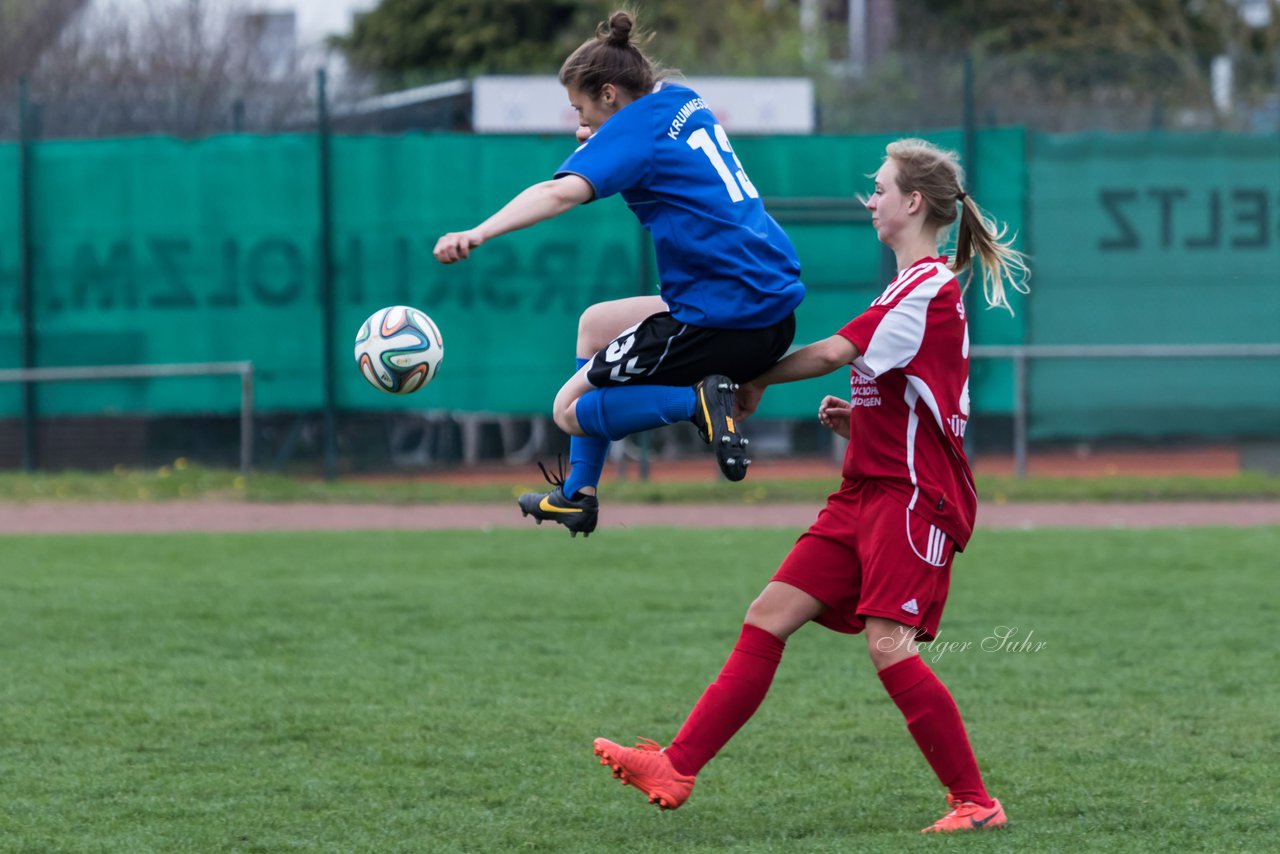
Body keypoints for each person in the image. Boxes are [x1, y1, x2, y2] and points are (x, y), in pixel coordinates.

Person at [591, 138, 1030, 833]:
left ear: (913, 202)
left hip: (910, 499)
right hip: (867, 489)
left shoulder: (928, 286)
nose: (872, 199)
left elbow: (831, 353)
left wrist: (749, 378)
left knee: (889, 647)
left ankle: (975, 803)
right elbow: (921, 401)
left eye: (881, 188)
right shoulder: (904, 287)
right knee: (768, 615)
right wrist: (860, 423)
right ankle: (676, 766)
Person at [433, 10, 804, 538]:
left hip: (722, 318)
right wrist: (599, 133)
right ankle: (577, 496)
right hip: (769, 304)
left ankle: (698, 403)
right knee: (595, 325)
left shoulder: (634, 133)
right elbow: (636, 125)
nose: (578, 123)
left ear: (610, 94)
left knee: (569, 408)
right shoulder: (680, 98)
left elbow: (558, 191)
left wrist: (479, 232)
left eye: (580, 108)